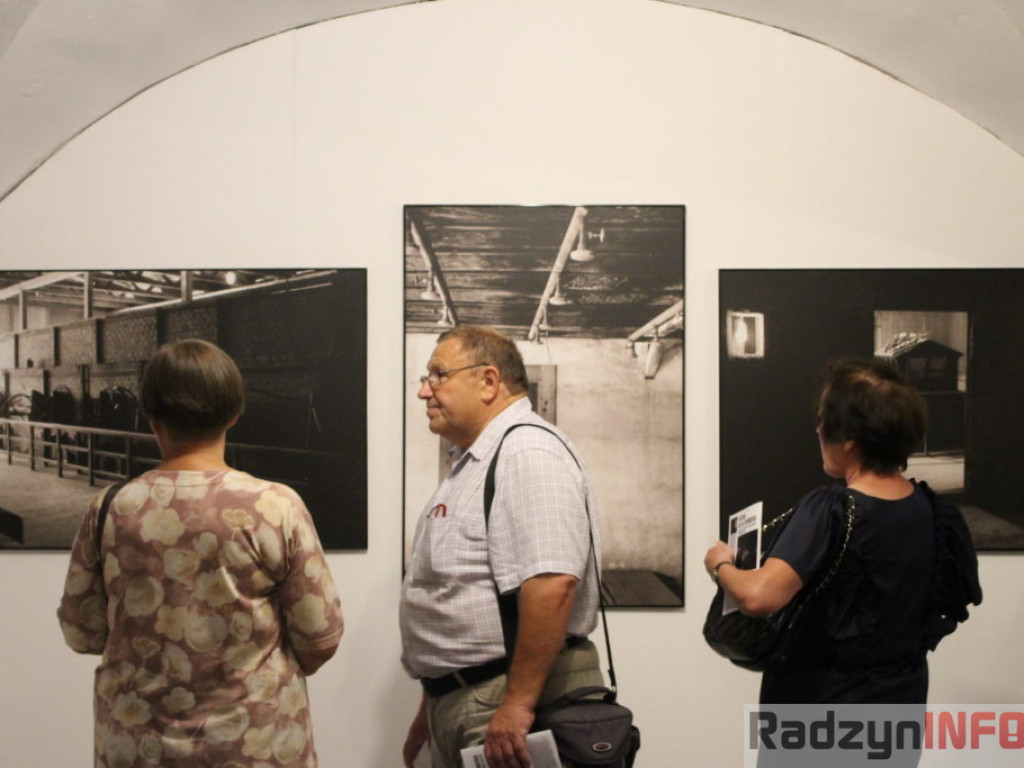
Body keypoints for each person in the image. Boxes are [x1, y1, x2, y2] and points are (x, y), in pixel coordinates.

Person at [58, 339, 343, 767]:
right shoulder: (274, 507)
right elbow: (320, 633)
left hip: (138, 747)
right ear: (233, 414)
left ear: (150, 416)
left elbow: (82, 631)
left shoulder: (110, 509)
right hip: (255, 743)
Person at [400, 325, 603, 768]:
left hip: (499, 703)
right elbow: (459, 594)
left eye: (437, 375)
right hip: (471, 700)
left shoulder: (527, 453)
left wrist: (517, 705)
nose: (424, 392)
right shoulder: (476, 461)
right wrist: (435, 702)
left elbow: (553, 584)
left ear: (489, 381)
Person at [705, 359, 949, 705]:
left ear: (849, 439)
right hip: (900, 701)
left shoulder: (832, 509)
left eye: (824, 420)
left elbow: (758, 596)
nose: (818, 430)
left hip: (822, 705)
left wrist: (720, 564)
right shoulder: (932, 510)